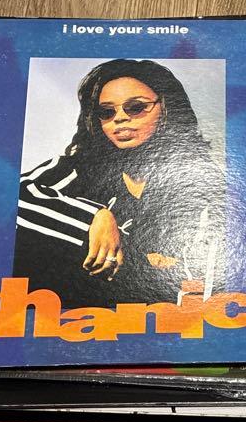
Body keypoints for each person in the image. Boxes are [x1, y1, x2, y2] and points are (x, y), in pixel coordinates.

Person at [15, 58, 223, 307]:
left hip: (153, 316)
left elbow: (198, 283)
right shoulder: (81, 167)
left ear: (168, 109)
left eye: (136, 107)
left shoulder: (200, 182)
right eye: (107, 112)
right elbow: (15, 195)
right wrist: (95, 218)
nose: (120, 118)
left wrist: (131, 251)